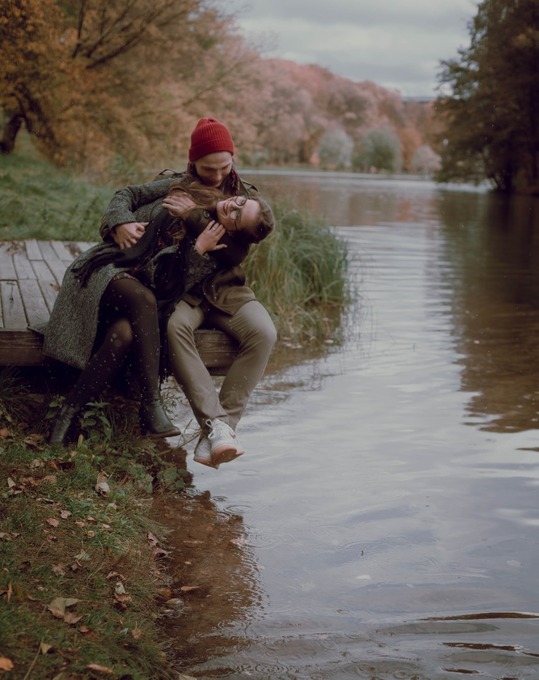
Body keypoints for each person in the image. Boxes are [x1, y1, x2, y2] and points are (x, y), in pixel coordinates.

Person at [45, 180, 274, 459]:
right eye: (240, 202)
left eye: (238, 215)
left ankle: (68, 414)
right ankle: (151, 403)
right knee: (146, 303)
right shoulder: (185, 185)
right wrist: (121, 222)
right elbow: (127, 193)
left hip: (141, 283)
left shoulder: (220, 239)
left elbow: (167, 284)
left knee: (124, 335)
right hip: (111, 266)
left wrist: (198, 247)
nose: (233, 207)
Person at [99, 118, 278, 469]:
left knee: (265, 333)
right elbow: (127, 194)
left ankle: (220, 429)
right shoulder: (177, 184)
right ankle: (217, 427)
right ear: (193, 161)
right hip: (185, 289)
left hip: (227, 290)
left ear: (233, 159)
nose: (217, 175)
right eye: (208, 168)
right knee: (174, 327)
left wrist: (193, 215)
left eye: (224, 167)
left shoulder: (246, 196)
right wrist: (120, 221)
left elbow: (233, 252)